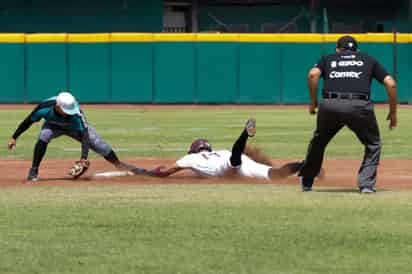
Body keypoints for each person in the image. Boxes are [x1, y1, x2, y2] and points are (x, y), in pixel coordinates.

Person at [298, 35, 398, 193]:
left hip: (330, 104)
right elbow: (391, 84)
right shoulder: (368, 59)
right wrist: (393, 112)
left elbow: (312, 75)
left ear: (338, 49)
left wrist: (313, 102)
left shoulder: (328, 58)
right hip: (359, 106)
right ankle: (366, 185)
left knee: (319, 141)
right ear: (357, 50)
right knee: (373, 144)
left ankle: (307, 181)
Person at [8, 91, 146, 181]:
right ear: (57, 106)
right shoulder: (44, 107)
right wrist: (14, 137)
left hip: (75, 129)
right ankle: (34, 171)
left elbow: (85, 134)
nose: (69, 112)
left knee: (99, 145)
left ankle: (119, 165)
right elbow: (28, 121)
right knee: (44, 135)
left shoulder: (76, 112)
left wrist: (83, 159)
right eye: (65, 110)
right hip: (53, 126)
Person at [150, 118, 304, 180]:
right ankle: (305, 164)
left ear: (194, 150)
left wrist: (153, 172)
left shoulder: (190, 158)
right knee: (276, 173)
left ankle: (245, 133)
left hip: (228, 166)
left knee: (234, 159)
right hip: (239, 161)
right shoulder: (219, 152)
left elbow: (166, 172)